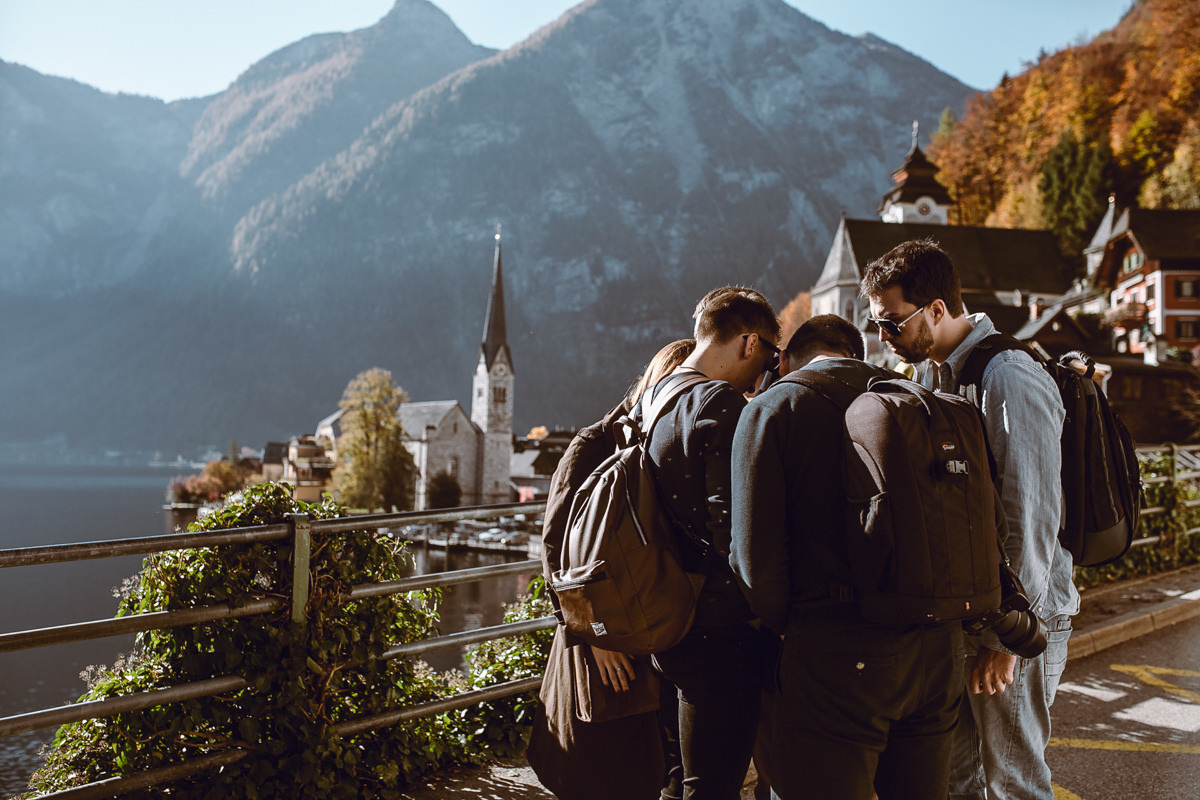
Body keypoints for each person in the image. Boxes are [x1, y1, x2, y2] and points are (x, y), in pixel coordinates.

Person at [859, 239, 1076, 800]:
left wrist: (1009, 637)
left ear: (936, 309)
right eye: (877, 323)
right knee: (958, 783)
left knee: (1012, 784)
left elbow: (1029, 514)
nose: (883, 336)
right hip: (966, 617)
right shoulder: (933, 374)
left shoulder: (1008, 376)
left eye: (892, 323)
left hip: (1016, 619)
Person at [730, 314, 964, 800]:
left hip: (836, 651)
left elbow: (755, 560)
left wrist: (788, 626)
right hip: (937, 648)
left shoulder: (776, 407)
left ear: (785, 360)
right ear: (854, 355)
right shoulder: (917, 398)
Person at [528, 339, 695, 800]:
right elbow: (556, 552)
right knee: (600, 773)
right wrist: (594, 636)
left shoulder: (669, 443)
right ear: (657, 383)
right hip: (602, 645)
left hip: (655, 640)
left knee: (650, 770)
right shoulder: (593, 444)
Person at [645, 286, 781, 800]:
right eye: (770, 354)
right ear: (750, 342)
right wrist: (773, 609)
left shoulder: (659, 394)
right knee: (714, 785)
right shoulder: (719, 403)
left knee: (681, 779)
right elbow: (735, 529)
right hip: (720, 627)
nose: (766, 370)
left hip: (670, 613)